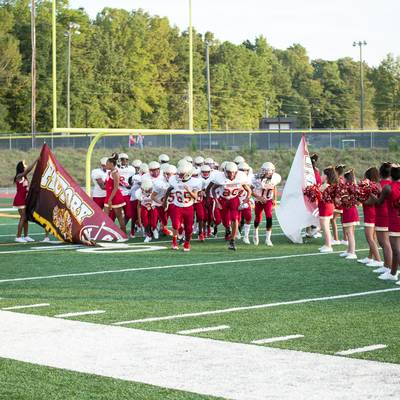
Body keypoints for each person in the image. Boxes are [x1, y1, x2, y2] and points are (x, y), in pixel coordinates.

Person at [211, 162, 251, 251]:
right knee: (225, 222)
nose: (231, 174)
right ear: (225, 172)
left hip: (234, 199)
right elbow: (213, 189)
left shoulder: (240, 177)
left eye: (233, 172)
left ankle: (232, 241)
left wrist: (246, 199)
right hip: (223, 200)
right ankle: (228, 230)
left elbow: (249, 190)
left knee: (235, 218)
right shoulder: (220, 178)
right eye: (229, 172)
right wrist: (216, 201)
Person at [372, 164, 400, 282]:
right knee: (395, 250)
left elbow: (379, 202)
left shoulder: (388, 188)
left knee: (397, 250)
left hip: (394, 221)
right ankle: (393, 273)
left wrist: (372, 195)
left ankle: (393, 273)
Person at [164, 162, 200, 251]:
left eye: (181, 174)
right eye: (179, 173)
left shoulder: (195, 182)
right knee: (175, 225)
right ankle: (174, 241)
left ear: (188, 174)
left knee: (188, 228)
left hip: (188, 207)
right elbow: (169, 189)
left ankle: (187, 243)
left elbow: (196, 197)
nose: (179, 176)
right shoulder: (174, 179)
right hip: (177, 206)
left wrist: (189, 190)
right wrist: (165, 201)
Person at [357, 167, 383, 267]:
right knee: (373, 237)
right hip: (374, 213)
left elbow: (371, 202)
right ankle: (370, 257)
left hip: (370, 214)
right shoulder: (376, 185)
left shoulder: (372, 186)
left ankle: (378, 260)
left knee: (369, 238)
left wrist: (360, 199)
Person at [251, 162, 281, 246]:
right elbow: (250, 190)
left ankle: (268, 239)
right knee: (258, 217)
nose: (267, 173)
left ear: (273, 171)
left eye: (269, 171)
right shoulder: (256, 179)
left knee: (269, 216)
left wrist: (274, 199)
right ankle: (255, 231)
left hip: (268, 200)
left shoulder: (275, 178)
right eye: (265, 171)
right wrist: (259, 197)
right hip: (259, 200)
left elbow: (274, 186)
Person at [371, 162, 393, 275]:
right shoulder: (391, 183)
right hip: (388, 215)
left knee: (384, 243)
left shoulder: (379, 185)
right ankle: (386, 266)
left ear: (380, 173)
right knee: (386, 242)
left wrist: (370, 194)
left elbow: (378, 202)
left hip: (382, 215)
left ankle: (388, 268)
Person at [13, 159, 38, 243]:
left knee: (25, 218)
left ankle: (26, 236)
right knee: (23, 217)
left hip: (24, 199)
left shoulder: (24, 177)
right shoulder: (19, 176)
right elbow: (28, 170)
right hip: (19, 200)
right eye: (24, 164)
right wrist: (36, 160)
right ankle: (18, 236)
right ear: (21, 167)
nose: (26, 165)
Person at [339, 169, 359, 260]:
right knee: (349, 232)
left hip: (349, 211)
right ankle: (349, 250)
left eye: (343, 177)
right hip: (351, 210)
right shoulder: (353, 186)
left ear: (346, 178)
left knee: (349, 233)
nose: (342, 178)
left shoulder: (347, 187)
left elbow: (343, 200)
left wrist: (338, 200)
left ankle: (353, 252)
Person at [104, 154, 126, 234]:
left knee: (119, 216)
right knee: (106, 217)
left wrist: (110, 199)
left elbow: (116, 187)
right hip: (109, 196)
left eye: (107, 163)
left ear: (111, 164)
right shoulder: (110, 172)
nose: (105, 165)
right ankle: (107, 233)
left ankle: (123, 234)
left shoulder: (115, 173)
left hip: (115, 197)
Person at [318, 166, 338, 253]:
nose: (320, 176)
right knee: (325, 227)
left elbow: (316, 192)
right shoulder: (328, 185)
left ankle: (329, 246)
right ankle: (327, 244)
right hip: (328, 206)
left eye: (322, 175)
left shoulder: (325, 185)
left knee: (325, 227)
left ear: (326, 176)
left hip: (325, 207)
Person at [331, 164, 347, 245]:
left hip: (339, 203)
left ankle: (336, 239)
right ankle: (345, 239)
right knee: (343, 221)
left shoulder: (337, 180)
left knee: (332, 219)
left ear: (336, 171)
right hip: (343, 202)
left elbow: (337, 192)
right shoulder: (343, 179)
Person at [237, 162, 253, 244]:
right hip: (235, 201)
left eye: (246, 170)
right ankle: (237, 231)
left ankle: (246, 236)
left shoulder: (249, 178)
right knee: (236, 219)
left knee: (249, 217)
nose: (244, 172)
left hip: (245, 200)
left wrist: (249, 199)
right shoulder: (234, 178)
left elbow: (251, 190)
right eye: (242, 170)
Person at [118, 153, 135, 225]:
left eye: (126, 159)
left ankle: (122, 228)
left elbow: (131, 180)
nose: (124, 161)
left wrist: (131, 185)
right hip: (117, 193)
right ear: (118, 160)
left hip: (126, 194)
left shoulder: (131, 169)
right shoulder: (115, 168)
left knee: (129, 214)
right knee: (112, 215)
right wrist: (124, 184)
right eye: (122, 159)